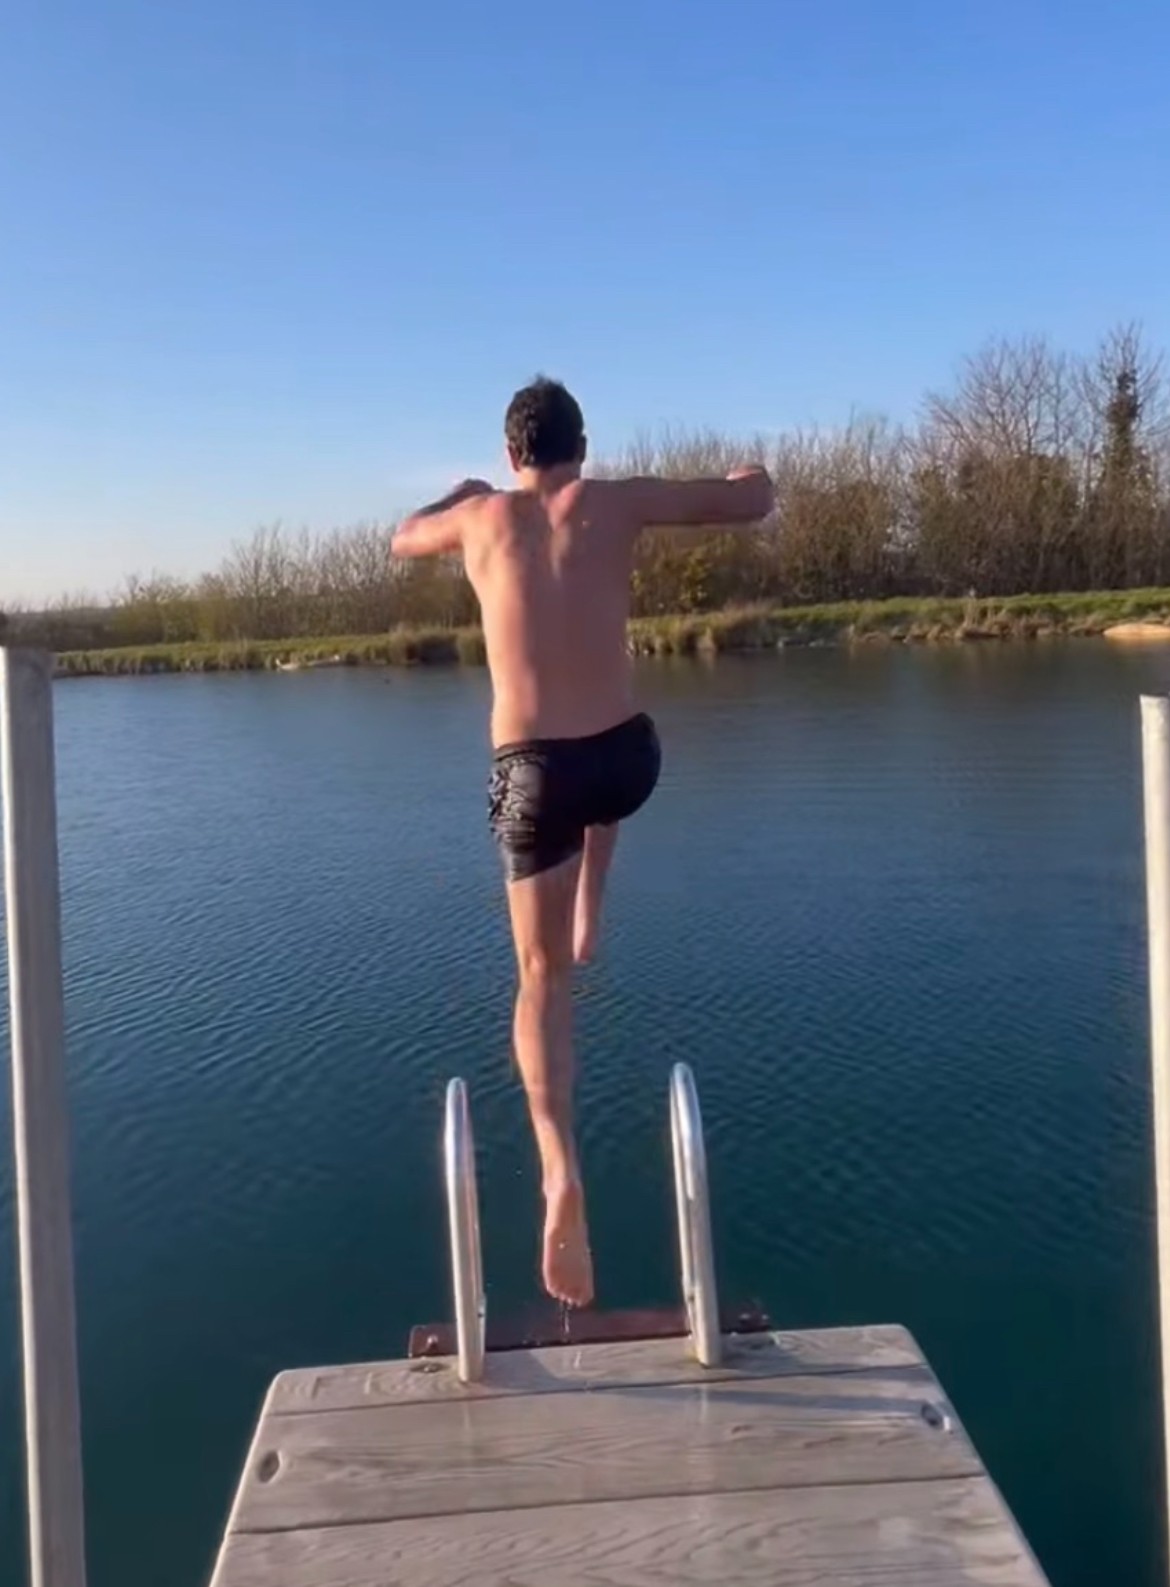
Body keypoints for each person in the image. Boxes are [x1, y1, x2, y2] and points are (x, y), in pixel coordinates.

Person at [392, 378, 773, 1308]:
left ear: (514, 453)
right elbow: (751, 501)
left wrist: (457, 494)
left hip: (531, 776)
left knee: (540, 977)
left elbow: (403, 536)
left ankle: (560, 1170)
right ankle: (593, 896)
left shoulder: (480, 518)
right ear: (583, 446)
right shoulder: (619, 501)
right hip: (622, 761)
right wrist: (747, 471)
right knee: (612, 776)